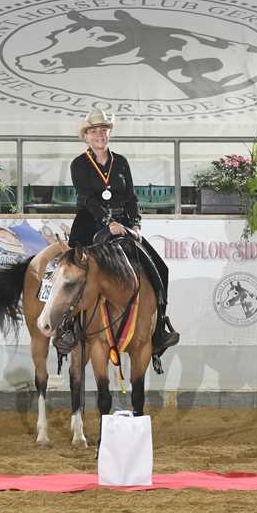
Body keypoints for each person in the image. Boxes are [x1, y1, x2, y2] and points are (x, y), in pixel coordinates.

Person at [61, 107, 180, 374]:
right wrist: (107, 222)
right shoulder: (79, 164)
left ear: (109, 133)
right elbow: (86, 199)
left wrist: (135, 225)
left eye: (104, 130)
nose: (100, 135)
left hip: (123, 225)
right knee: (71, 273)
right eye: (94, 131)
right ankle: (67, 327)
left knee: (160, 267)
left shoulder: (121, 162)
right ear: (86, 136)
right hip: (90, 223)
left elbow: (131, 198)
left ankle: (159, 328)